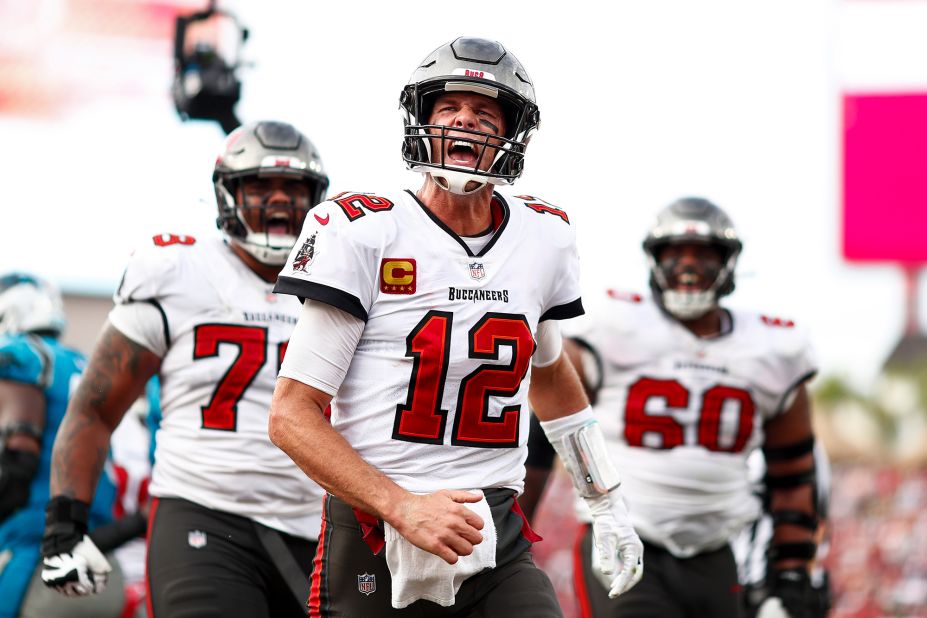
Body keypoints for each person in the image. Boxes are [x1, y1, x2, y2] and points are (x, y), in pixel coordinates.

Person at [268, 36, 643, 618]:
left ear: (509, 135)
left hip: (494, 530)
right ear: (422, 122)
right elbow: (292, 415)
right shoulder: (363, 230)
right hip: (376, 527)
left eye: (485, 112)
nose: (465, 120)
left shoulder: (543, 238)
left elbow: (549, 377)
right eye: (448, 108)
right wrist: (402, 506)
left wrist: (605, 501)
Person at [40, 121, 331, 618]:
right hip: (202, 511)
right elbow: (94, 407)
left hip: (317, 527)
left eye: (293, 188)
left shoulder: (340, 282)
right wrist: (65, 522)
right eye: (261, 186)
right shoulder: (180, 270)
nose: (279, 200)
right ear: (227, 194)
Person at [534, 197, 823, 618]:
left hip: (716, 552)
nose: (688, 266)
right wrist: (518, 523)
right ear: (654, 260)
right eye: (675, 254)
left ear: (729, 262)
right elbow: (544, 411)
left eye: (704, 255)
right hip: (626, 536)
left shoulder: (773, 349)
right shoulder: (615, 324)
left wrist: (793, 572)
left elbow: (795, 474)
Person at [0, 273, 123, 618]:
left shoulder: (20, 356)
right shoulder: (83, 364)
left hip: (33, 553)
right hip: (99, 554)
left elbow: (19, 457)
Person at [735, 443, 832, 618]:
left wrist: (794, 585)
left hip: (774, 585)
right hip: (738, 585)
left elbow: (815, 521)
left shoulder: (799, 448)